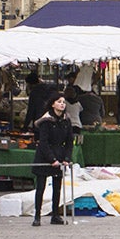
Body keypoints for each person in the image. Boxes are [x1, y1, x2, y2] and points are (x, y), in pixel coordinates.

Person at [31, 91, 76, 227]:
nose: (62, 104)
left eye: (63, 102)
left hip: (60, 154)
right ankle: (37, 216)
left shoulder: (66, 120)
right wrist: (52, 159)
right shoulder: (46, 121)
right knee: (41, 187)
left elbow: (69, 141)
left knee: (57, 188)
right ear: (53, 104)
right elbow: (43, 142)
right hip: (44, 156)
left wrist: (66, 158)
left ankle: (55, 215)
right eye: (59, 102)